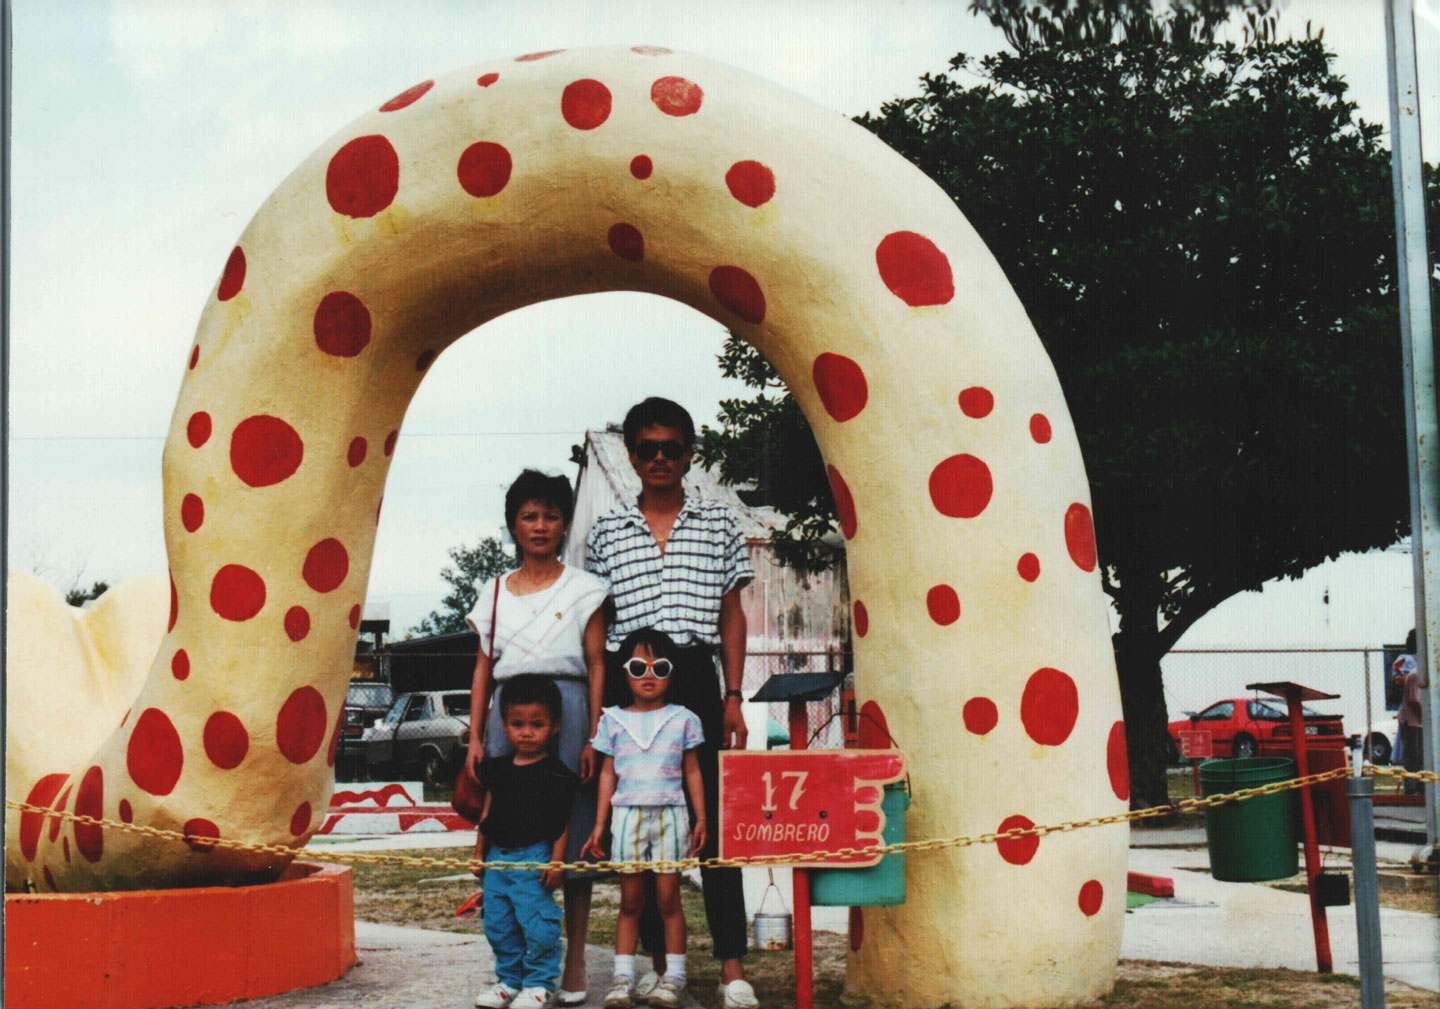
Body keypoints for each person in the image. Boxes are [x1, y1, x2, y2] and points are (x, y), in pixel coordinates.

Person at [585, 397, 758, 1009]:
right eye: (647, 448)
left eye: (672, 447)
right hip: (632, 679)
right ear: (631, 455)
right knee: (644, 823)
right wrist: (597, 713)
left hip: (696, 675)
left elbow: (732, 613)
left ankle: (733, 967)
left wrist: (733, 696)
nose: (660, 458)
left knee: (716, 823)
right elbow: (599, 629)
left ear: (689, 452)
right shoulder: (605, 533)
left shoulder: (718, 523)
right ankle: (662, 969)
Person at [466, 469, 610, 1004]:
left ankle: (571, 961)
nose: (541, 525)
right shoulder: (494, 592)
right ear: (513, 525)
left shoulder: (586, 588)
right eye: (529, 515)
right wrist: (476, 737)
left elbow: (597, 664)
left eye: (551, 515)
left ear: (565, 523)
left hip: (568, 712)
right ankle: (514, 971)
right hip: (508, 717)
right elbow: (482, 669)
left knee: (565, 835)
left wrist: (593, 733)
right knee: (509, 836)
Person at [583, 629, 707, 1009]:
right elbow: (608, 774)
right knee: (631, 901)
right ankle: (622, 980)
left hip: (670, 813)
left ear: (672, 673)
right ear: (625, 672)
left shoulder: (684, 718)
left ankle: (675, 978)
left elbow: (692, 772)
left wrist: (700, 818)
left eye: (659, 667)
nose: (648, 675)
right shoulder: (613, 720)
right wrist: (600, 825)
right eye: (638, 667)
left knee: (669, 900)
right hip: (627, 816)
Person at [472, 675, 581, 1009]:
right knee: (498, 924)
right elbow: (487, 812)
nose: (527, 732)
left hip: (534, 858)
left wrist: (557, 861)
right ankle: (509, 980)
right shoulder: (498, 769)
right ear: (505, 725)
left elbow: (562, 822)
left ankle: (539, 983)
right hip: (496, 859)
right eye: (518, 723)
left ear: (555, 726)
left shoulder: (556, 773)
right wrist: (479, 854)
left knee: (537, 925)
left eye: (537, 724)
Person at [1397, 629, 1425, 795]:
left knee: (1421, 755)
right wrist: (1426, 718)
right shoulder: (1414, 675)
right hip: (1411, 721)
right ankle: (1411, 789)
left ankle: (1421, 787)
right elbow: (1414, 701)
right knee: (1412, 756)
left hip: (1419, 721)